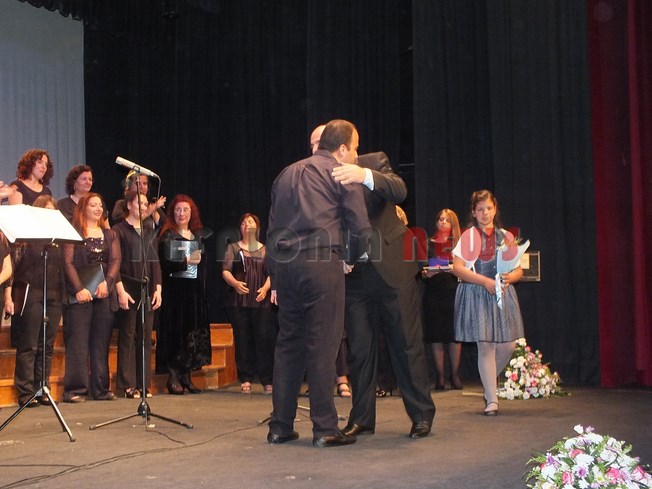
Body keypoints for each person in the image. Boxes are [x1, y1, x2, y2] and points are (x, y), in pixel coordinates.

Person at [266, 119, 370, 448]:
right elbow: (361, 229)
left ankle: (280, 426)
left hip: (286, 266)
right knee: (323, 344)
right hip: (322, 263)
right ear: (342, 148)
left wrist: (276, 277)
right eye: (355, 148)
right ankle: (324, 428)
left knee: (288, 345)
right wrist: (350, 257)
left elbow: (272, 231)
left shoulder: (285, 174)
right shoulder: (341, 173)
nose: (356, 156)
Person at [331, 151, 435, 439]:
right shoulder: (321, 176)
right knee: (360, 349)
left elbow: (399, 190)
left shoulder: (373, 161)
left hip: (393, 267)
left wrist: (363, 175)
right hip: (355, 275)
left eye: (319, 143)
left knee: (406, 343)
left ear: (343, 146)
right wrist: (338, 254)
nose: (316, 150)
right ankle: (362, 418)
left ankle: (421, 414)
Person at [452, 190, 525, 416]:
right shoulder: (469, 236)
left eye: (489, 208)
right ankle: (492, 400)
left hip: (501, 294)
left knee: (508, 345)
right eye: (480, 209)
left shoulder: (506, 236)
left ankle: (488, 384)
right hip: (478, 293)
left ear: (495, 210)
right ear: (474, 212)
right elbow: (458, 268)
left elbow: (519, 270)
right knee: (486, 345)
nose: (485, 213)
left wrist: (509, 278)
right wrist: (484, 282)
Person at [5, 196, 64, 407]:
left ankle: (42, 388)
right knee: (29, 344)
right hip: (31, 293)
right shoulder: (26, 237)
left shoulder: (59, 238)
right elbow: (12, 267)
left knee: (46, 345)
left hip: (54, 294)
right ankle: (26, 392)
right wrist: (8, 295)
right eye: (46, 210)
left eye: (53, 211)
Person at [62, 193, 121, 402]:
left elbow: (115, 260)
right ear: (83, 208)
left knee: (100, 342)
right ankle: (75, 390)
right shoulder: (73, 233)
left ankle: (100, 389)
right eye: (93, 205)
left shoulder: (110, 234)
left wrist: (108, 282)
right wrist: (79, 288)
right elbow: (67, 263)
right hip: (80, 295)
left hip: (103, 293)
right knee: (78, 342)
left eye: (100, 205)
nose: (98, 208)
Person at [309, 123, 351, 398]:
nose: (315, 148)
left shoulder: (349, 174)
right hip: (313, 267)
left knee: (339, 331)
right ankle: (320, 389)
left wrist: (349, 256)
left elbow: (356, 223)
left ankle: (342, 378)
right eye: (312, 144)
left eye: (319, 143)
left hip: (345, 265)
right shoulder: (301, 175)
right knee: (315, 332)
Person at [156, 194, 211, 395]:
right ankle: (172, 376)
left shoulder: (197, 237)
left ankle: (186, 375)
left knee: (191, 334)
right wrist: (186, 261)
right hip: (174, 293)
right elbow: (164, 264)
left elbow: (203, 265)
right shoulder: (167, 236)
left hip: (193, 293)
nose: (181, 213)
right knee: (175, 333)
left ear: (191, 213)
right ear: (172, 213)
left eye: (185, 210)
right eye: (178, 210)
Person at [113, 190, 163, 399]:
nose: (143, 207)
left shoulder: (149, 229)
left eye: (145, 204)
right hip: (128, 287)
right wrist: (120, 289)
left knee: (145, 336)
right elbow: (115, 263)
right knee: (128, 335)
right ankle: (127, 384)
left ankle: (143, 383)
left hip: (147, 288)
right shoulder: (119, 230)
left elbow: (155, 261)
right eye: (138, 203)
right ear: (129, 205)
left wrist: (158, 287)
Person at [222, 213, 276, 395]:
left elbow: (271, 274)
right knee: (243, 339)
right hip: (239, 301)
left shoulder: (265, 249)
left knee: (264, 340)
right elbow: (225, 271)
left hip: (261, 301)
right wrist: (235, 284)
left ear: (257, 227)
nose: (247, 224)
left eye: (250, 222)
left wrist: (266, 289)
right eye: (244, 222)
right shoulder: (233, 248)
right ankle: (245, 378)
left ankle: (267, 379)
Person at [422, 208, 463, 390]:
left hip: (454, 293)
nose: (443, 223)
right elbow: (421, 270)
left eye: (447, 220)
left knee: (455, 336)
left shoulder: (459, 245)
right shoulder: (427, 243)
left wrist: (453, 268)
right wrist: (427, 273)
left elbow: (466, 268)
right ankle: (440, 377)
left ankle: (455, 375)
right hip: (433, 293)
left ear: (453, 224)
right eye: (441, 219)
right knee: (436, 336)